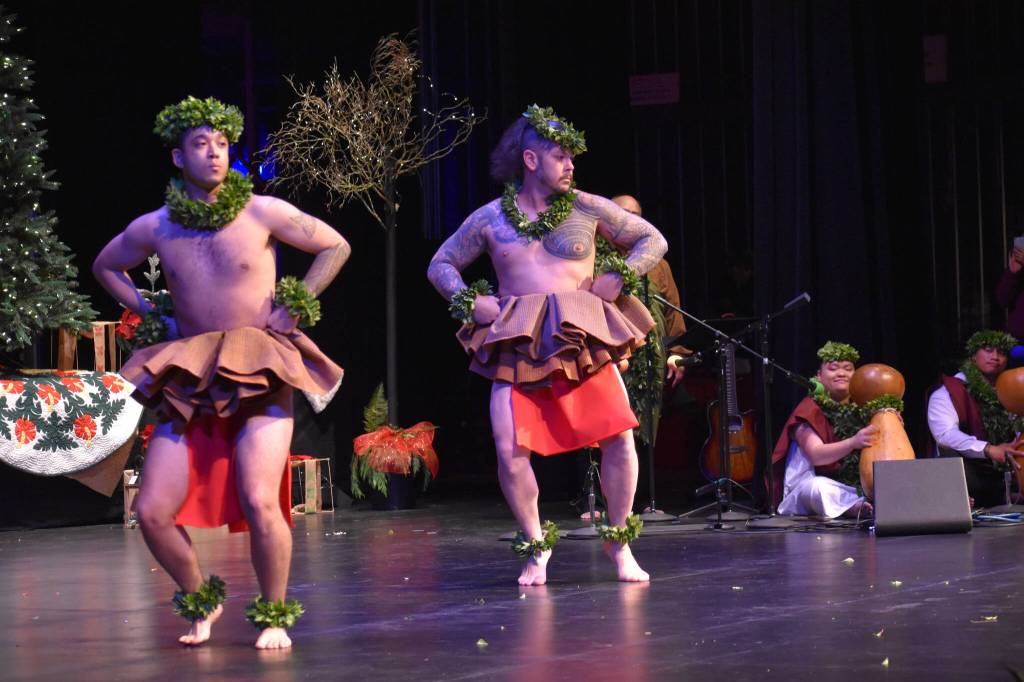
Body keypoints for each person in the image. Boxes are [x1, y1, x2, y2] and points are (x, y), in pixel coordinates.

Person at [93, 96, 349, 649]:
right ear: (177, 157)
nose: (214, 154)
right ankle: (201, 596)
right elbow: (105, 264)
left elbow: (334, 245)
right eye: (200, 145)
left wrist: (299, 299)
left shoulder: (263, 211)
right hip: (191, 369)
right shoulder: (157, 226)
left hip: (258, 365)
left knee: (261, 499)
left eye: (222, 144)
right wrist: (151, 307)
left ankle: (275, 613)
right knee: (153, 510)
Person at [427, 105, 667, 585]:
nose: (571, 165)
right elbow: (441, 264)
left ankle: (619, 544)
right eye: (560, 157)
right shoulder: (490, 218)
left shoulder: (588, 207)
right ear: (531, 160)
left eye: (572, 157)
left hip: (581, 333)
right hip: (518, 335)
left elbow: (651, 240)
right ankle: (535, 546)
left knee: (618, 437)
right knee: (508, 447)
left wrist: (619, 276)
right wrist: (469, 300)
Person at [771, 341, 876, 518]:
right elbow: (817, 455)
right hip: (808, 489)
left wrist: (889, 418)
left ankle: (862, 503)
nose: (841, 373)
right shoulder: (808, 408)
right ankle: (854, 508)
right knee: (818, 488)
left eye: (848, 368)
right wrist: (853, 442)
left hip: (853, 486)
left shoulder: (862, 409)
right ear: (819, 376)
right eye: (833, 368)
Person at [927, 329, 1023, 507]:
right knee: (949, 459)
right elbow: (945, 436)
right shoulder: (947, 393)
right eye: (988, 350)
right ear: (972, 356)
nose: (995, 356)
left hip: (1009, 473)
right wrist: (988, 449)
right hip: (973, 474)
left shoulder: (1012, 390)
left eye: (1001, 352)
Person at [609, 195, 689, 389]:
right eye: (623, 214)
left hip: (652, 364)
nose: (630, 221)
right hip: (612, 361)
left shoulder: (658, 265)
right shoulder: (593, 259)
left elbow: (673, 312)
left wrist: (677, 353)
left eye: (635, 216)